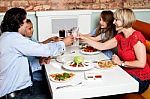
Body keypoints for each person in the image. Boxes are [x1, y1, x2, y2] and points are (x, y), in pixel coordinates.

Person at [0, 7, 74, 99]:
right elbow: (44, 49)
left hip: (20, 89)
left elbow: (17, 67)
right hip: (17, 94)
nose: (25, 25)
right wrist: (63, 43)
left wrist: (39, 63)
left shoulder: (7, 37)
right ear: (19, 24)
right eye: (25, 21)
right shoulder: (14, 39)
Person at [79, 8, 150, 94]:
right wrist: (85, 39)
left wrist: (121, 63)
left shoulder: (136, 37)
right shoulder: (120, 36)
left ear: (124, 21)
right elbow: (102, 46)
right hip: (125, 73)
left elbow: (141, 63)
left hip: (140, 80)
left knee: (106, 85)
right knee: (100, 78)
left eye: (116, 20)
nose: (113, 22)